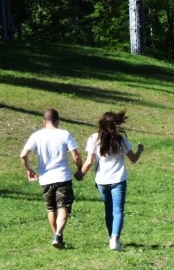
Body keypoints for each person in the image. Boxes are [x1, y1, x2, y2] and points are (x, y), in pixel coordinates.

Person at [78, 111, 144, 252]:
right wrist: (139, 150)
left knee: (109, 210)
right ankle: (115, 239)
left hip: (102, 180)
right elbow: (133, 159)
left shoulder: (94, 139)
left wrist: (80, 173)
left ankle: (111, 237)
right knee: (118, 211)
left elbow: (89, 161)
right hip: (118, 179)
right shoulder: (120, 140)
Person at [20, 108, 83, 249]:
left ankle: (57, 236)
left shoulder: (37, 136)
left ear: (44, 121)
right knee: (63, 207)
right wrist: (79, 169)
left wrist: (29, 170)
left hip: (45, 179)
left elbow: (23, 155)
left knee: (51, 208)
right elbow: (76, 156)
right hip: (62, 177)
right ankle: (58, 235)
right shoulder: (64, 134)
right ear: (57, 121)